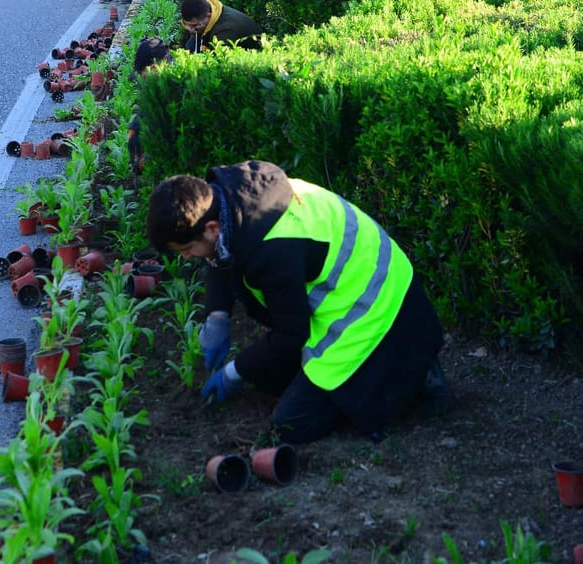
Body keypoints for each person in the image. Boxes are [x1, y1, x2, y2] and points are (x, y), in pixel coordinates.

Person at [146, 160, 449, 445]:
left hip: (376, 305)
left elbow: (291, 334)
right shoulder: (232, 195)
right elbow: (221, 255)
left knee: (292, 422)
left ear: (212, 228)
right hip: (354, 287)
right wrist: (217, 315)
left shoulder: (272, 249)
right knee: (268, 375)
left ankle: (415, 375)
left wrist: (232, 372)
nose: (186, 257)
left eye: (186, 248)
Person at [128, 37, 175, 174]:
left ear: (153, 68)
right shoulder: (164, 80)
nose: (142, 78)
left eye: (142, 73)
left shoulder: (173, 89)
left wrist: (143, 162)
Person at [180, 0, 262, 53]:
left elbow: (216, 63)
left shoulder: (225, 30)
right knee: (190, 45)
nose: (190, 29)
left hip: (248, 60)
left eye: (194, 25)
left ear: (208, 16)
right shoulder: (207, 9)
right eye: (185, 24)